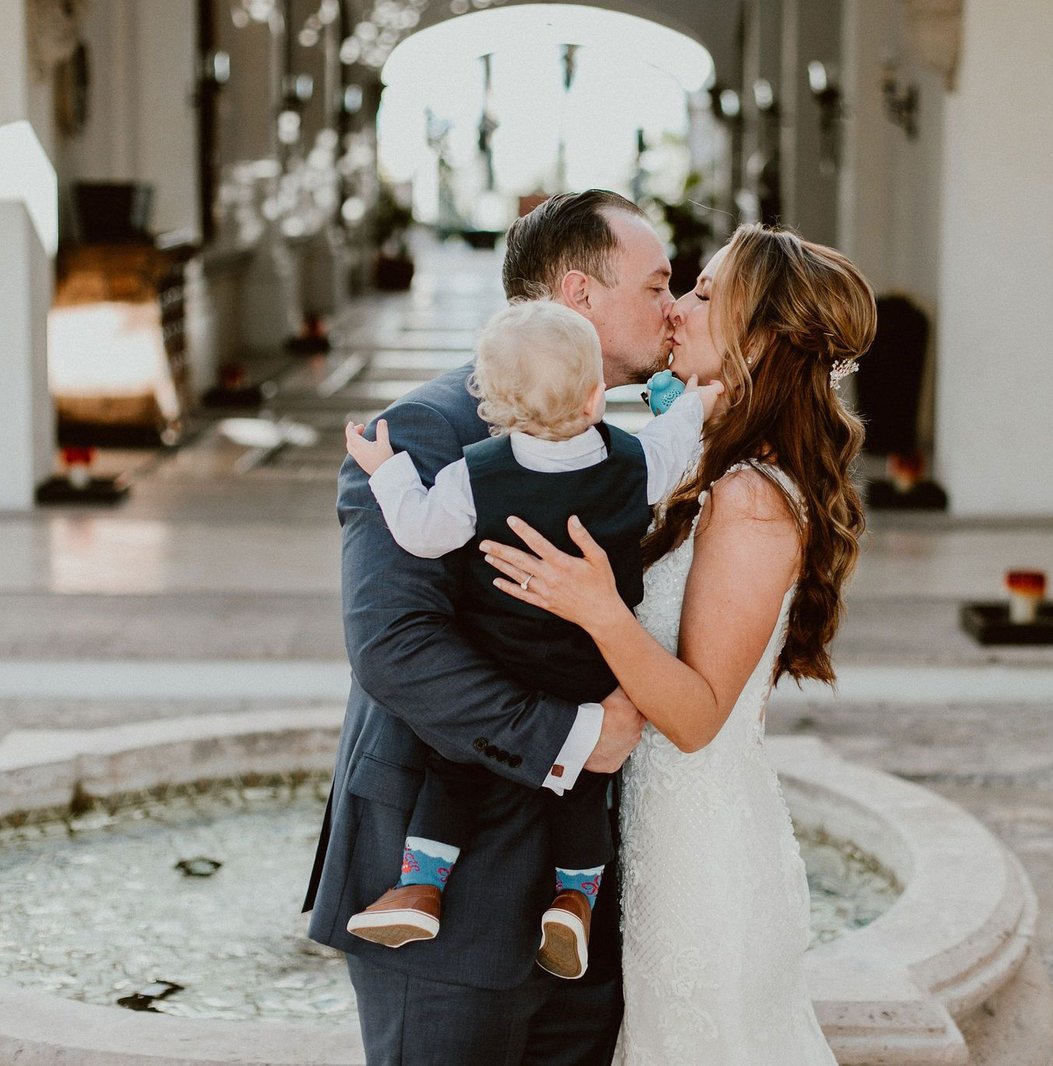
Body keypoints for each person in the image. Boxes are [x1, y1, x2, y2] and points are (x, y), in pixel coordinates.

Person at [480, 223, 876, 1064]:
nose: (680, 310)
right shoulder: (716, 466)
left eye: (703, 293)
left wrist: (598, 608)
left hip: (701, 855)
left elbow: (697, 716)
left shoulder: (754, 499)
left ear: (759, 336)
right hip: (661, 832)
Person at [302, 189, 674, 1066]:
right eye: (658, 286)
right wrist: (582, 735)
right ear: (579, 297)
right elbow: (397, 650)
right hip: (449, 899)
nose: (672, 305)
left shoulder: (605, 441)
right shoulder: (430, 433)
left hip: (582, 897)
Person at [339, 298, 716, 981]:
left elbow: (420, 530)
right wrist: (695, 404)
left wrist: (384, 468)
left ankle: (420, 887)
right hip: (588, 667)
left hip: (501, 656)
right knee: (581, 791)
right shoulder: (630, 463)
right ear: (598, 393)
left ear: (494, 405)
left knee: (451, 771)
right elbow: (676, 449)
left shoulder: (474, 473)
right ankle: (574, 900)